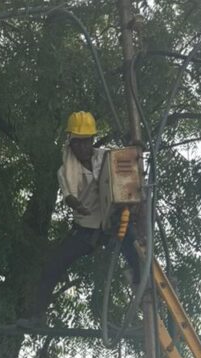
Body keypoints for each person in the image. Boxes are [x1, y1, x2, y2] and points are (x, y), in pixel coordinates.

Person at [27, 111, 140, 321]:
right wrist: (76, 204)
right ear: (70, 142)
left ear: (92, 140)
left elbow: (126, 171)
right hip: (86, 230)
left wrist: (134, 151)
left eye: (86, 141)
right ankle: (36, 316)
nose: (82, 147)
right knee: (54, 265)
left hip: (113, 222)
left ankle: (142, 284)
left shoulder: (105, 157)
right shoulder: (66, 170)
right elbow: (70, 195)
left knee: (133, 247)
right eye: (77, 142)